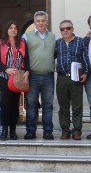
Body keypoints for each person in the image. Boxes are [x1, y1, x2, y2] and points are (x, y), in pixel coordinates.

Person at [22, 11, 57, 140]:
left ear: (47, 22)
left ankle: (48, 131)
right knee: (31, 105)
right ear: (35, 23)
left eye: (43, 21)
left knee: (48, 105)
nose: (41, 23)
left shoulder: (54, 37)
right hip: (33, 76)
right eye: (38, 21)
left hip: (48, 76)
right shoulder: (26, 36)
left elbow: (56, 54)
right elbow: (22, 55)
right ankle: (30, 131)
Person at [0, 21, 30, 141]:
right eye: (11, 27)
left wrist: (27, 71)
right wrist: (6, 69)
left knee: (15, 105)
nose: (13, 30)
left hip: (18, 78)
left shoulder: (23, 43)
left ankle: (13, 130)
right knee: (6, 104)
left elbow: (27, 59)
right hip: (5, 77)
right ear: (7, 30)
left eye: (15, 28)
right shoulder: (1, 43)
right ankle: (4, 129)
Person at [55, 20, 90, 140]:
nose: (65, 31)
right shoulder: (57, 43)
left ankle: (76, 131)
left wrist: (85, 73)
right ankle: (65, 130)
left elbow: (85, 58)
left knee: (77, 106)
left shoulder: (80, 41)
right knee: (63, 106)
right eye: (62, 29)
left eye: (68, 28)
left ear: (72, 29)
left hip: (76, 77)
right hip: (61, 78)